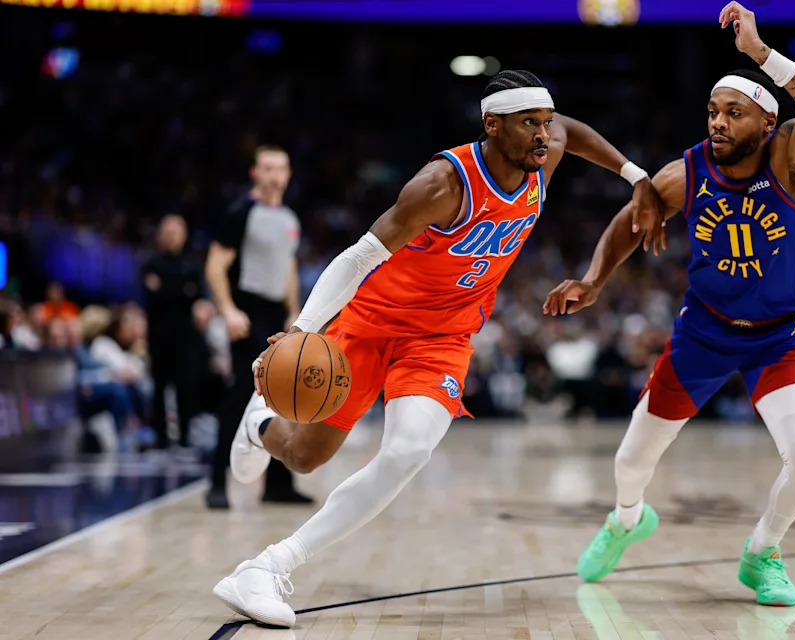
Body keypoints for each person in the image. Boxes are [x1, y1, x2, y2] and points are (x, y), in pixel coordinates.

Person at [212, 69, 662, 627]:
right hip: (372, 323)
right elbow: (358, 257)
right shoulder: (443, 184)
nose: (544, 135)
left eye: (545, 123)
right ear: (492, 125)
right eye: (529, 124)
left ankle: (268, 566)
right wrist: (303, 328)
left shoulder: (543, 154)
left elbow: (573, 129)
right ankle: (259, 422)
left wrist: (635, 175)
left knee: (407, 452)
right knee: (304, 456)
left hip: (443, 338)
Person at [543, 2, 795, 607]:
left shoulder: (792, 156)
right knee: (631, 460)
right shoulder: (689, 172)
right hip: (704, 333)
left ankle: (762, 552)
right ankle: (627, 520)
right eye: (712, 111)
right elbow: (633, 218)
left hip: (775, 338)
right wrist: (595, 278)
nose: (718, 122)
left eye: (734, 113)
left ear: (767, 121)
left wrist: (760, 54)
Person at [204, 145, 311, 509]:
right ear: (255, 173)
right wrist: (228, 310)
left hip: (276, 313)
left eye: (280, 168)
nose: (274, 175)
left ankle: (278, 484)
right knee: (240, 395)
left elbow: (289, 268)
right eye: (267, 168)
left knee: (284, 396)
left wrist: (294, 311)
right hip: (247, 312)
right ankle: (216, 482)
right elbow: (215, 265)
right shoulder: (240, 213)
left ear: (288, 174)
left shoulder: (289, 219)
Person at [142, 214, 202, 449]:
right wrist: (182, 291)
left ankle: (186, 436)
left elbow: (195, 295)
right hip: (158, 336)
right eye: (168, 232)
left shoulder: (191, 265)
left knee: (185, 386)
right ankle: (161, 437)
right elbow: (152, 294)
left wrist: (167, 289)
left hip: (185, 337)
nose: (172, 237)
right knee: (159, 386)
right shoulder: (150, 264)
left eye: (176, 232)